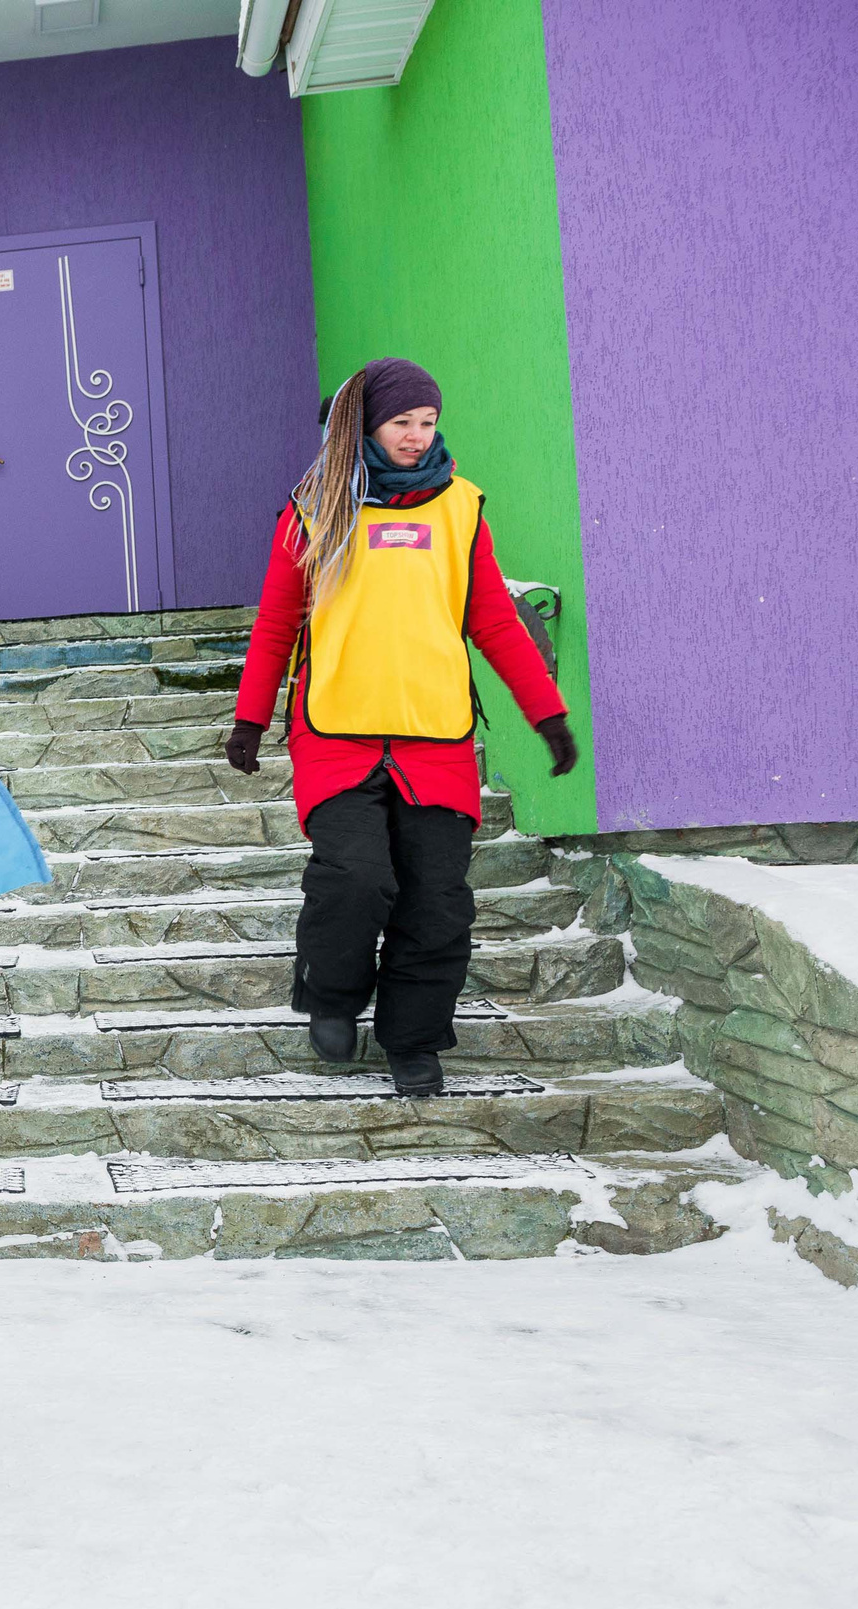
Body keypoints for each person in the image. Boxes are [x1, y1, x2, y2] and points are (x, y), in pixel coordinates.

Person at [224, 358, 575, 1096]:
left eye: (428, 422)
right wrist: (251, 718)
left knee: (438, 896)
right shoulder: (315, 509)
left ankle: (413, 1037)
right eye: (402, 423)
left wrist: (546, 713)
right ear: (365, 425)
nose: (418, 437)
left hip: (434, 736)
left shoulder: (461, 508)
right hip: (338, 733)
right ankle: (331, 993)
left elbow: (495, 621)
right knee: (356, 878)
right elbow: (278, 620)